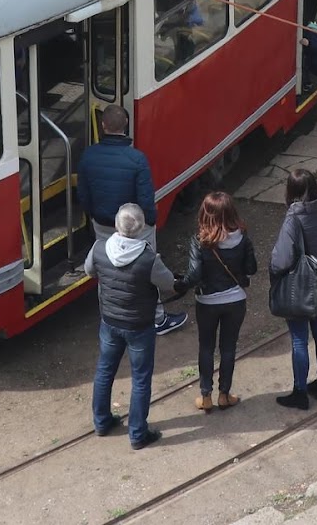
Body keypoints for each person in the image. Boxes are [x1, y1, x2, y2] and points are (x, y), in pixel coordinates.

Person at [77, 104, 187, 335]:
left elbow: (84, 195)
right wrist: (151, 221)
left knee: (107, 270)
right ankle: (157, 319)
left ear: (103, 126)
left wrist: (93, 215)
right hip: (136, 225)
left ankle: (109, 316)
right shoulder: (137, 159)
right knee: (145, 269)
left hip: (103, 223)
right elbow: (145, 198)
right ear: (125, 125)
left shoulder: (88, 156)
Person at [84, 204, 177, 450]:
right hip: (139, 326)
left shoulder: (99, 248)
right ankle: (137, 433)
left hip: (109, 321)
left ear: (116, 224)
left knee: (105, 371)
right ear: (141, 228)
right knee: (141, 379)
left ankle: (102, 422)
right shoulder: (148, 259)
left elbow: (89, 271)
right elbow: (169, 283)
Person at [179, 191, 257, 413]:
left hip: (207, 302)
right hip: (235, 301)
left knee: (206, 348)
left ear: (205, 214)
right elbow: (252, 268)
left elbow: (194, 275)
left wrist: (179, 285)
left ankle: (206, 397)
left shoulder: (200, 241)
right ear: (232, 212)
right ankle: (224, 395)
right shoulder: (242, 237)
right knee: (228, 348)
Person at [271, 167, 317, 410]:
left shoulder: (293, 218)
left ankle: (300, 393)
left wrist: (273, 269)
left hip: (299, 287)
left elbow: (282, 259)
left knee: (299, 340)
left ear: (291, 191)